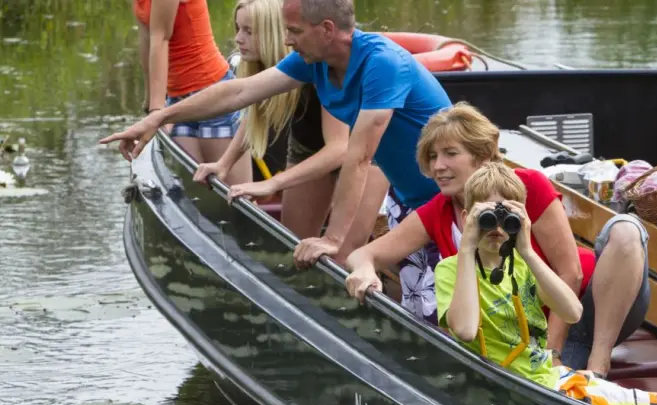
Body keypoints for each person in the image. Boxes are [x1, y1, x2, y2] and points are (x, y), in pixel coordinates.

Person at [101, 0, 450, 310]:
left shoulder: (382, 64)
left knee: (441, 309)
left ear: (327, 29)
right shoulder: (314, 60)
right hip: (410, 202)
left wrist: (333, 239)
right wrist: (160, 116)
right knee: (417, 304)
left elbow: (358, 157)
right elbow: (239, 92)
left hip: (449, 200)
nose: (286, 40)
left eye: (294, 30)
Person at [346, 103, 651, 377]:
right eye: (432, 156)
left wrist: (553, 354)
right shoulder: (438, 210)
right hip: (525, 332)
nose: (438, 165)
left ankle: (599, 366)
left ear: (480, 155)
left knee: (625, 229)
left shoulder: (527, 185)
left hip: (590, 308)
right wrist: (364, 269)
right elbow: (365, 255)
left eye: (450, 154)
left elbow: (570, 272)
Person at [434, 162, 657, 405]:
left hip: (553, 381)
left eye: (508, 218)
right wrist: (467, 248)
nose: (497, 227)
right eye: (487, 217)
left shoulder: (523, 266)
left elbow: (573, 312)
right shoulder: (451, 270)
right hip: (525, 391)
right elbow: (466, 331)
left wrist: (526, 249)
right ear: (468, 218)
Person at [192, 0, 387, 244]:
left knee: (343, 256)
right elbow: (256, 116)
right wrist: (224, 163)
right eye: (238, 29)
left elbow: (340, 149)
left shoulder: (314, 66)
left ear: (272, 32)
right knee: (294, 244)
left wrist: (273, 183)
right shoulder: (261, 68)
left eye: (249, 31)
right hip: (306, 146)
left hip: (365, 154)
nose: (239, 39)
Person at [133, 0, 248, 184]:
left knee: (237, 195)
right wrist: (150, 100)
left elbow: (161, 37)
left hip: (213, 92)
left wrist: (157, 111)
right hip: (178, 100)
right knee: (197, 194)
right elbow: (146, 34)